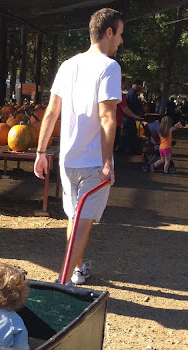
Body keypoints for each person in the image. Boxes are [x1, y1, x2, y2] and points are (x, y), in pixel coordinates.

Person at [34, 7, 123, 285]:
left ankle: (78, 269)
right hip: (94, 160)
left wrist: (40, 152)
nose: (121, 41)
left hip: (68, 160)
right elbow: (107, 117)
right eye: (120, 34)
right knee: (83, 222)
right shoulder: (110, 67)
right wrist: (107, 163)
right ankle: (62, 283)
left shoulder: (68, 65)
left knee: (74, 217)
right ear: (108, 32)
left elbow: (51, 112)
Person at [115, 75, 141, 150]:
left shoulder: (111, 94)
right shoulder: (120, 95)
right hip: (119, 121)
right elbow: (126, 109)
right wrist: (135, 116)